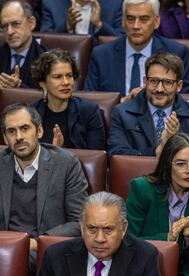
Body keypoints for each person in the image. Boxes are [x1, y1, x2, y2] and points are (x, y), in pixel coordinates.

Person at [0, 103, 88, 272]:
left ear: (39, 131)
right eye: (12, 131)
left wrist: (37, 242)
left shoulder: (66, 163)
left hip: (47, 250)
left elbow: (80, 220)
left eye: (25, 128)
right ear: (5, 138)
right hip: (5, 249)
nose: (19, 137)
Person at [126, 133, 189, 275]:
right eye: (181, 164)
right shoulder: (142, 190)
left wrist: (188, 239)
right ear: (167, 165)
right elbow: (129, 242)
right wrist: (168, 238)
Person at [107, 52, 189, 158]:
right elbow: (115, 155)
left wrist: (179, 140)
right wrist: (156, 153)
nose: (159, 89)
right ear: (145, 82)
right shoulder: (122, 113)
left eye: (167, 83)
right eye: (154, 81)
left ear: (179, 86)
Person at [84, 0, 189, 99]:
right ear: (123, 22)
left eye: (144, 19)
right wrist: (121, 103)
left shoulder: (176, 53)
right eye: (130, 19)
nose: (136, 26)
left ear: (156, 22)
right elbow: (91, 100)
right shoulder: (101, 55)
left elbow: (186, 99)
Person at [38, 191, 161, 276]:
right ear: (82, 227)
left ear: (123, 228)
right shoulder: (55, 256)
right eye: (92, 228)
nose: (100, 239)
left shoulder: (144, 257)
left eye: (108, 229)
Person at [31, 49, 105, 150]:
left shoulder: (89, 112)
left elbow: (96, 157)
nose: (66, 82)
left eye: (69, 76)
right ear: (42, 83)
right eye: (58, 77)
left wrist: (61, 152)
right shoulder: (31, 114)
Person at [0, 0, 46, 89]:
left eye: (16, 24)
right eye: (4, 26)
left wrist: (19, 88)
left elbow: (48, 99)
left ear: (31, 23)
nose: (9, 32)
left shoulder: (47, 61)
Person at [40, 0, 124, 36]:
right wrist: (67, 26)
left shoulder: (115, 4)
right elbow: (44, 42)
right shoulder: (51, 3)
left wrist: (100, 25)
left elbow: (122, 41)